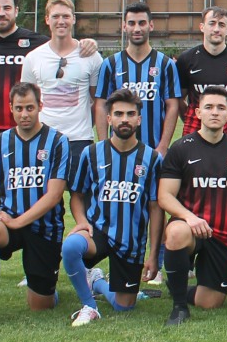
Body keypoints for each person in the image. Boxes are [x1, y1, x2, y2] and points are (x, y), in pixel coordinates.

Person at [0, 0, 95, 188]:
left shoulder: (36, 43)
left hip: (29, 131)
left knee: (35, 189)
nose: (1, 13)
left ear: (16, 11)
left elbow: (63, 44)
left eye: (7, 8)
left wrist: (88, 42)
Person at [0, 83, 70, 328]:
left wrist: (18, 221)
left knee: (40, 305)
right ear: (11, 109)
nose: (24, 114)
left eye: (30, 108)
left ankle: (51, 288)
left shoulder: (57, 141)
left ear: (40, 107)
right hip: (9, 221)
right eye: (19, 108)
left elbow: (54, 195)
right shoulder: (0, 142)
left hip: (44, 227)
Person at [63, 88, 164, 327]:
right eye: (118, 114)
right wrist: (81, 222)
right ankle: (89, 305)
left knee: (124, 306)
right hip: (97, 231)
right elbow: (76, 195)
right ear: (109, 119)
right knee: (70, 247)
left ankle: (97, 282)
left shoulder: (152, 159)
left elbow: (156, 208)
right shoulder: (91, 153)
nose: (124, 119)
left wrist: (153, 255)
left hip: (131, 240)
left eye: (130, 114)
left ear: (139, 119)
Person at [159, 88, 227, 325]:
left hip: (223, 235)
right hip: (191, 228)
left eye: (221, 108)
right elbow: (165, 196)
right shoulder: (181, 148)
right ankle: (179, 307)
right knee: (176, 232)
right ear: (198, 112)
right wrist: (189, 217)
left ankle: (178, 285)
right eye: (209, 107)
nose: (215, 112)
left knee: (210, 302)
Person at [21, 0, 103, 173]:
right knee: (44, 189)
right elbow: (26, 101)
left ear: (74, 19)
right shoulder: (33, 58)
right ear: (47, 19)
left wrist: (87, 128)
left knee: (78, 189)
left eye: (66, 16)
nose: (61, 21)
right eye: (55, 16)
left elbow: (99, 100)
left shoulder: (91, 56)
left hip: (79, 140)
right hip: (43, 138)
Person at [95, 1, 181, 155]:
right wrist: (104, 146)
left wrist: (162, 147)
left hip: (154, 150)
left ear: (151, 26)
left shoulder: (165, 64)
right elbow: (101, 105)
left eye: (142, 23)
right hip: (117, 151)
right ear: (124, 26)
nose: (137, 29)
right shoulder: (110, 64)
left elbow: (172, 106)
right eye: (131, 23)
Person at [175, 6, 227, 142]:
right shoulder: (186, 59)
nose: (216, 29)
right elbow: (178, 99)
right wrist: (192, 118)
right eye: (212, 23)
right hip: (194, 133)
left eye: (221, 25)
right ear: (202, 27)